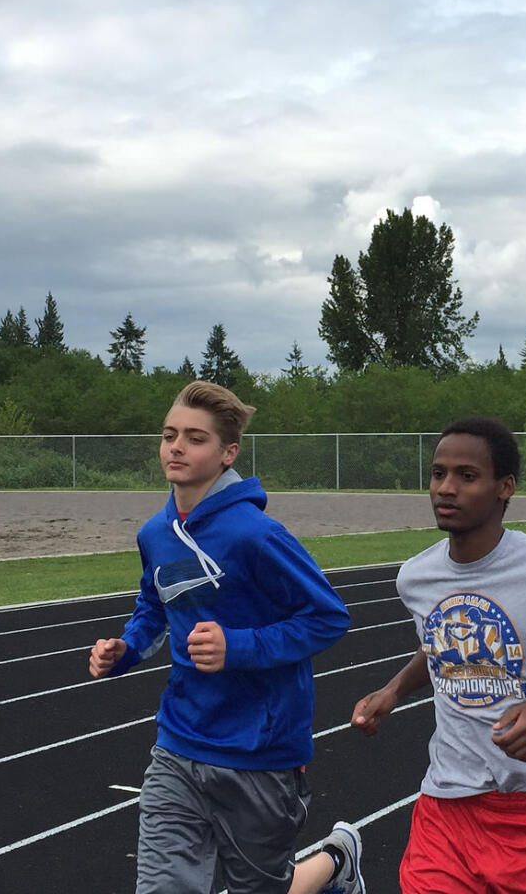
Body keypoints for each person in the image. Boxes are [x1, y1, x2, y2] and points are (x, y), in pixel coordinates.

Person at [88, 380, 364, 894]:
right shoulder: (154, 534)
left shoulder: (257, 535)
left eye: (195, 438)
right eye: (170, 434)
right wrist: (125, 649)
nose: (176, 446)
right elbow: (154, 605)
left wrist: (238, 646)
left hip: (258, 750)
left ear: (227, 453)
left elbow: (327, 616)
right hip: (179, 739)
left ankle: (335, 862)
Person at [351, 416, 526, 893]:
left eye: (466, 476)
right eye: (438, 473)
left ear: (505, 487)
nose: (446, 488)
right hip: (445, 806)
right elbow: (442, 646)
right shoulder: (416, 578)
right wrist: (394, 690)